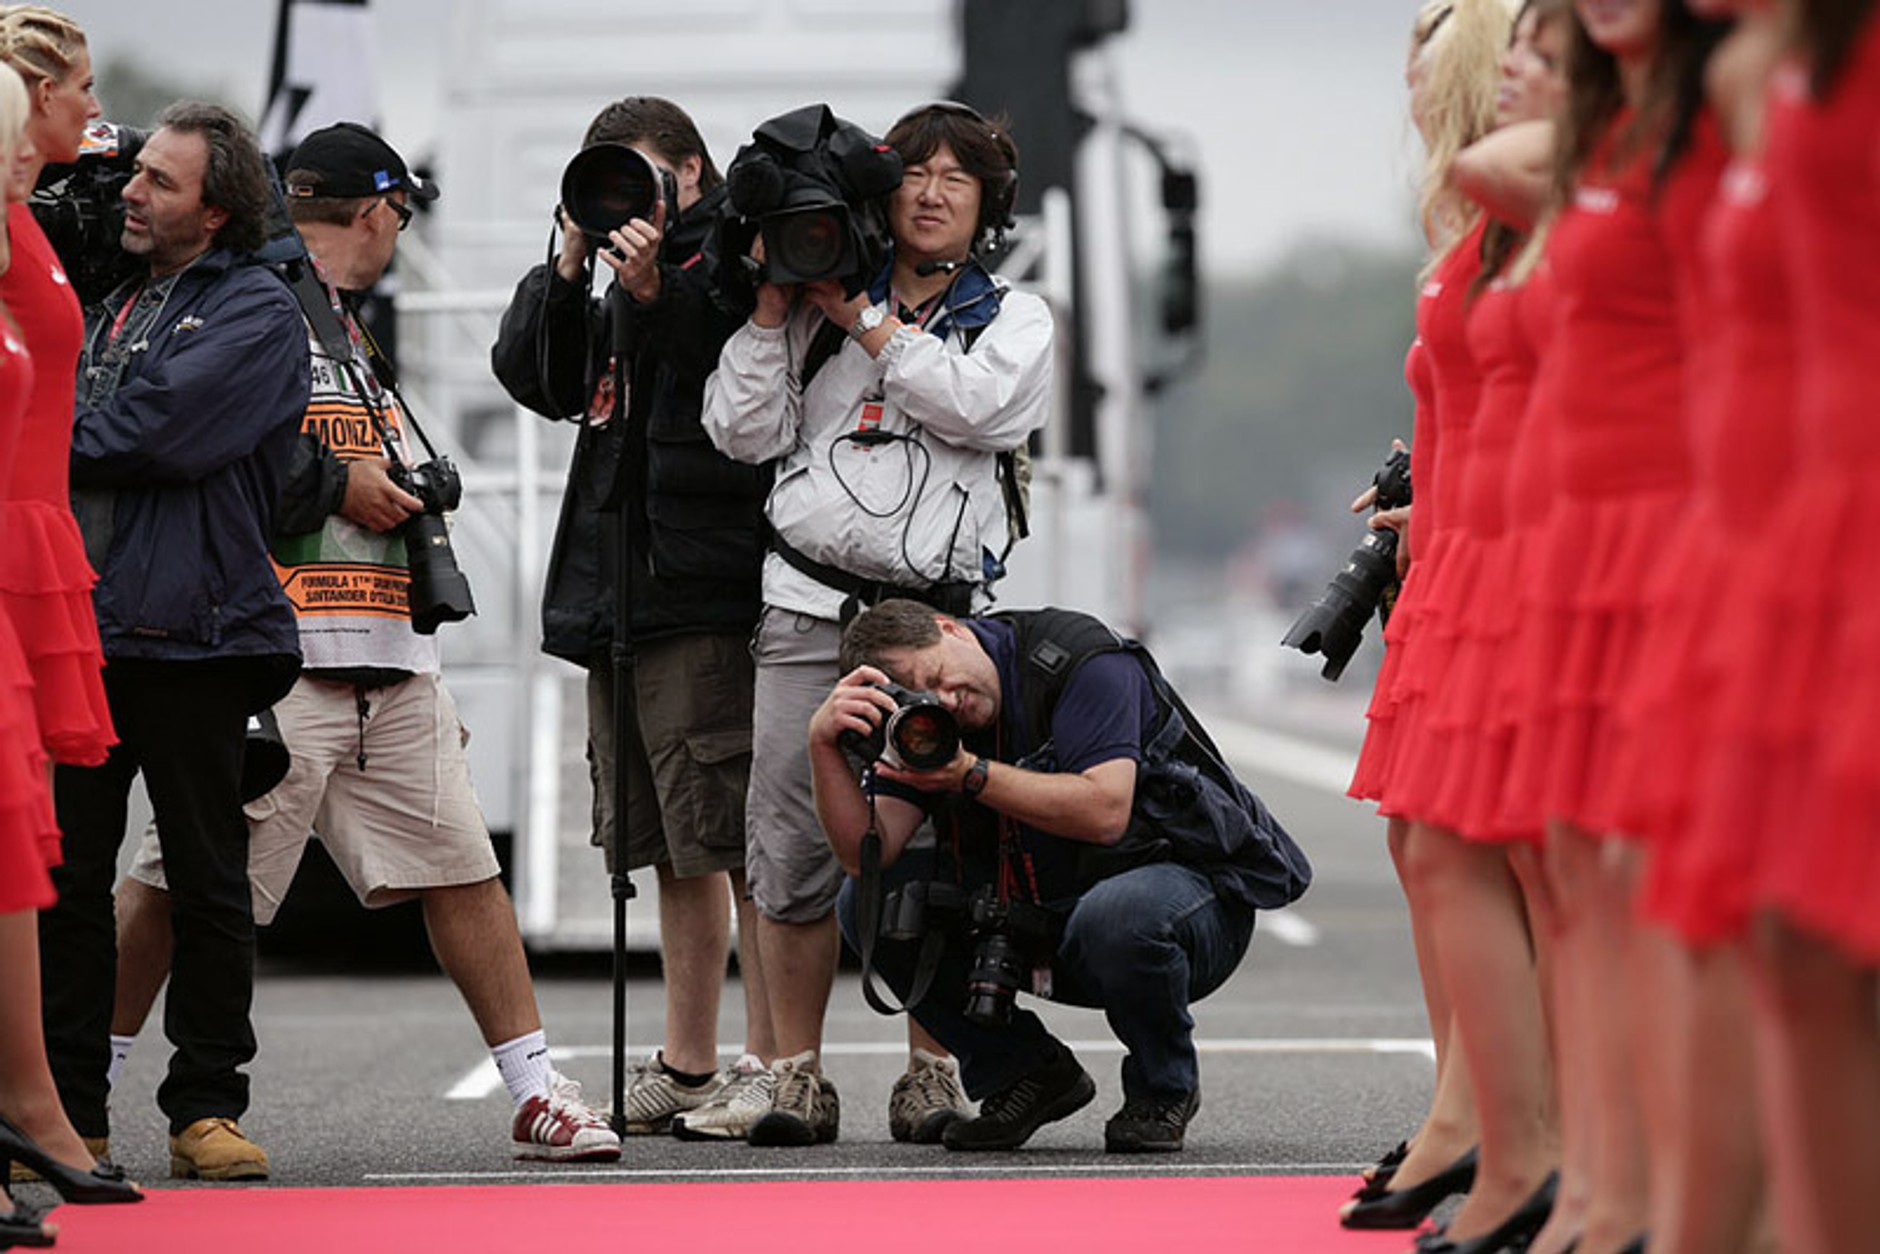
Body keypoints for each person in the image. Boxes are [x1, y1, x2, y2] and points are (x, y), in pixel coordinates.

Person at [104, 121, 621, 1170]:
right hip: (275, 652)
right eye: (399, 214)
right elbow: (219, 446)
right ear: (379, 212)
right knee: (180, 885)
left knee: (462, 870)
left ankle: (533, 1089)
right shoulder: (247, 301)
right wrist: (342, 482)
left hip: (387, 651)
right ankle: (76, 1082)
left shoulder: (345, 324)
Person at [698, 101, 1052, 1146]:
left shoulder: (1010, 315)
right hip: (807, 607)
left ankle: (931, 1075)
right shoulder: (810, 303)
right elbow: (738, 430)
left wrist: (866, 321)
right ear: (881, 189)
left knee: (943, 844)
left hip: (936, 628)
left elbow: (982, 409)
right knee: (791, 846)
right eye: (917, 174)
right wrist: (772, 308)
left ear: (986, 203)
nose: (933, 193)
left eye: (960, 178)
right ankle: (795, 1077)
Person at [489, 96, 775, 1135]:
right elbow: (538, 378)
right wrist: (567, 265)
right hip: (616, 584)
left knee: (735, 834)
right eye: (602, 181)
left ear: (690, 176)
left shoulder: (736, 256)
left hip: (699, 584)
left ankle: (766, 1061)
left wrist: (655, 285)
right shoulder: (603, 271)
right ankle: (687, 1062)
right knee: (661, 842)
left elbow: (732, 381)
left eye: (641, 180)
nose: (624, 204)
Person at [37, 100, 309, 1184]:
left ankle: (206, 1107)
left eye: (157, 180)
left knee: (206, 880)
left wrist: (28, 428)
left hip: (201, 636)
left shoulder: (257, 309)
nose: (131, 193)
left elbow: (142, 435)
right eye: (135, 173)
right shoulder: (116, 302)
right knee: (65, 888)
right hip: (91, 635)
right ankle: (69, 1119)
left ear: (220, 207)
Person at [811, 599, 1309, 1153]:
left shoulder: (1081, 660)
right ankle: (1025, 1075)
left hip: (1185, 901)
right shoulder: (922, 726)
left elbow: (1105, 811)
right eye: (927, 697)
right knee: (868, 903)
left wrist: (967, 774)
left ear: (949, 628)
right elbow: (865, 857)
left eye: (940, 676)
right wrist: (823, 746)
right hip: (1044, 913)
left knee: (1119, 916)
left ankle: (1161, 1088)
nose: (947, 701)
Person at [1341, 0, 1515, 1232]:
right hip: (1455, 558)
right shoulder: (1464, 226)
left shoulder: (1509, 213)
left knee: (1492, 851)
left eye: (1422, 58)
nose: (1405, 82)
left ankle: (1505, 1121)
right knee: (1431, 845)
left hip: (1512, 561)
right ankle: (1484, 1108)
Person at [0, 4, 138, 1207]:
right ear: (25, 95)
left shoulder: (29, 224)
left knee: (25, 844)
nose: (96, 109)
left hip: (34, 542)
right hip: (10, 542)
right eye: (78, 87)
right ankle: (31, 1106)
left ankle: (32, 1098)